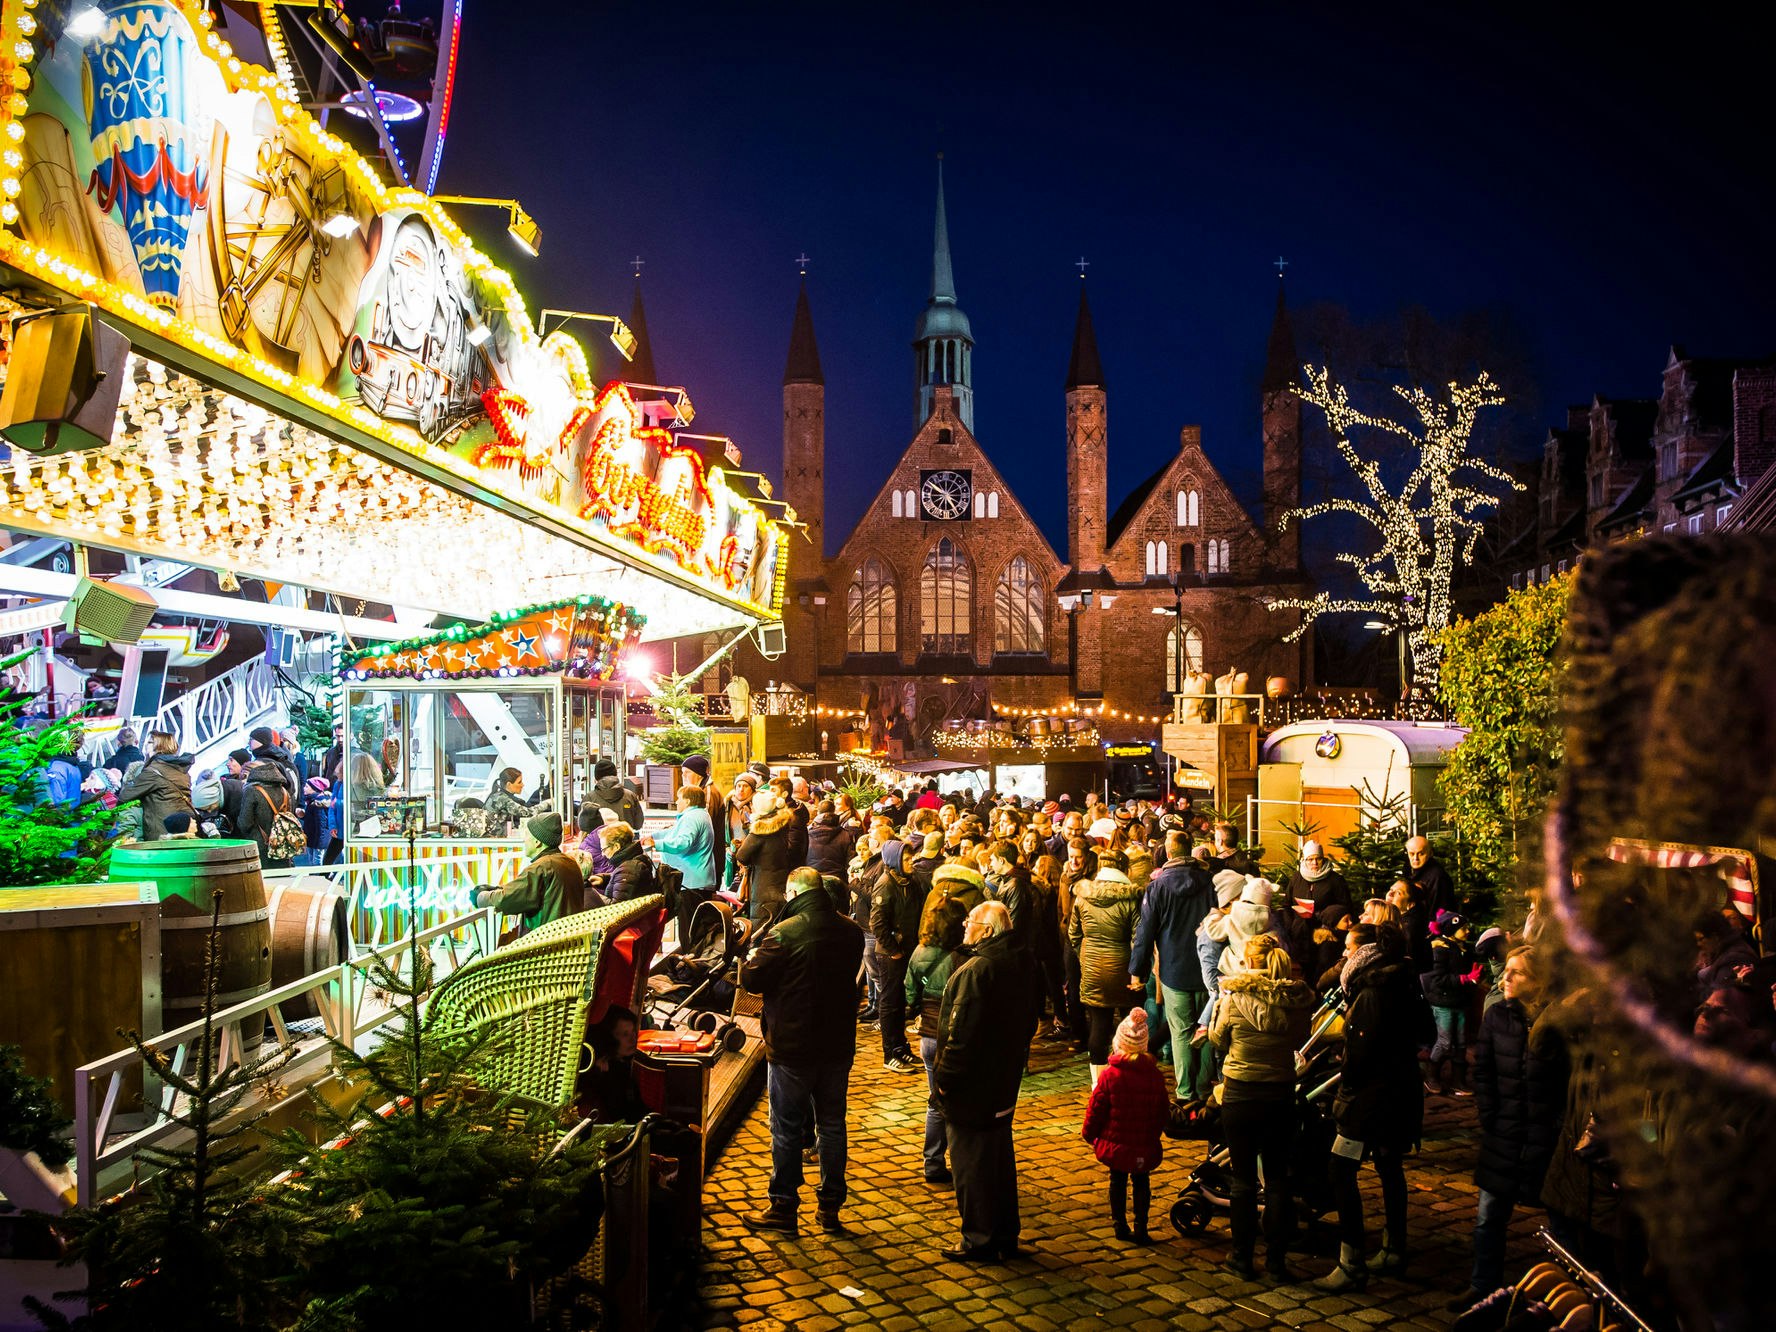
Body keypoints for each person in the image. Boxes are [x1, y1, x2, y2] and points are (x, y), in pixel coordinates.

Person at [738, 866, 865, 1235]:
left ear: (793, 892)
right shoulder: (851, 930)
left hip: (793, 1044)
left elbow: (752, 980)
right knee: (832, 1125)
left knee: (787, 1128)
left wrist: (749, 959)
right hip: (837, 1042)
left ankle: (783, 1206)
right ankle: (830, 1206)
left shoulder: (785, 933)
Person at [1449, 946, 1568, 1312]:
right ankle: (1482, 1284)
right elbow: (1483, 1069)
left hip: (1546, 1135)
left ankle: (1568, 1296)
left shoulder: (1560, 1021)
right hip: (1504, 1132)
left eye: (1517, 973)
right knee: (1488, 1218)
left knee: (1562, 1222)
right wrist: (1490, 1115)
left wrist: (1558, 1125)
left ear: (1540, 980)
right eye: (1508, 971)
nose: (1506, 978)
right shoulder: (1498, 1015)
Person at [1316, 922, 1432, 1291]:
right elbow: (1427, 1032)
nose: (1344, 955)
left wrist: (1346, 1076)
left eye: (1349, 949)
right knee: (1388, 1164)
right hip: (1402, 1091)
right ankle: (1394, 1247)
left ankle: (1351, 1262)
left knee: (1340, 1168)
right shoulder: (1405, 981)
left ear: (1366, 953)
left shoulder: (1370, 994)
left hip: (1369, 1099)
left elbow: (1360, 1057)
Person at [934, 901, 1039, 1261]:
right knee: (998, 1159)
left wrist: (944, 1081)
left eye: (971, 922)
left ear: (988, 930)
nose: (965, 926)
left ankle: (978, 1238)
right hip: (1004, 1079)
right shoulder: (1022, 959)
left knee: (971, 1165)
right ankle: (1005, 1233)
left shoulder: (979, 970)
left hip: (974, 1086)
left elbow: (959, 1034)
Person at [1211, 934, 1313, 1281]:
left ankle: (1241, 1256)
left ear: (1250, 962)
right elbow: (1301, 1040)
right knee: (1277, 1179)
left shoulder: (1235, 998)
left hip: (1240, 1091)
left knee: (1242, 1180)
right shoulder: (1297, 1000)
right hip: (1279, 1093)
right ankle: (1276, 1259)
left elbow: (1218, 1038)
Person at [1131, 830, 1216, 1099]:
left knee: (1180, 1031)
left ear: (1168, 853)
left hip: (1173, 969)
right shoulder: (1210, 883)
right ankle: (1203, 1090)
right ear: (1190, 851)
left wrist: (1137, 972)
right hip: (1206, 970)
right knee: (1205, 1030)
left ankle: (1185, 1092)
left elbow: (1145, 932)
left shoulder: (1158, 887)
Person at [1081, 1008, 1168, 1245]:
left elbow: (1096, 1108)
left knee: (1117, 1182)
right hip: (1143, 1142)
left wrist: (1089, 1133)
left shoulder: (1110, 1076)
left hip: (1117, 1143)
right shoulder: (1154, 1075)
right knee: (1142, 1182)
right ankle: (1141, 1226)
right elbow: (1163, 1109)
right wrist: (1155, 1131)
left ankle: (1119, 1224)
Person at [906, 884, 968, 1183]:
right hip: (953, 1035)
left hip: (928, 1037)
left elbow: (909, 994)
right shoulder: (964, 958)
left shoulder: (920, 952)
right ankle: (954, 1162)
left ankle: (933, 1162)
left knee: (936, 1101)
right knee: (953, 1102)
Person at [1068, 859, 1143, 1088]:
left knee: (1099, 1025)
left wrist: (1085, 957)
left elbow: (1073, 934)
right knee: (1131, 1024)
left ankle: (1098, 1082)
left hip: (1092, 967)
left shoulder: (1083, 896)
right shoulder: (1131, 899)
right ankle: (1128, 1077)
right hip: (1122, 967)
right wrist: (1136, 971)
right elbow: (1136, 939)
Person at [870, 840, 927, 1075]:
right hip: (891, 955)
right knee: (890, 1002)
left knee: (900, 1002)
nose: (910, 862)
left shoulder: (910, 882)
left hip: (907, 951)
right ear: (894, 861)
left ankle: (901, 1046)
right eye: (905, 859)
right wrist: (894, 949)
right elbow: (878, 923)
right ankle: (890, 1052)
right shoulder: (886, 885)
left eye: (910, 857)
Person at [472, 812, 585, 929]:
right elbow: (521, 889)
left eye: (526, 835)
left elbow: (506, 899)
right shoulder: (569, 862)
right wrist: (496, 889)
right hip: (567, 938)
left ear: (537, 842)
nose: (523, 840)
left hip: (546, 942)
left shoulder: (542, 867)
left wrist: (480, 897)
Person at [1423, 911, 1479, 1095]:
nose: (1467, 931)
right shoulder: (1440, 950)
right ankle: (1431, 1076)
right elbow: (1438, 979)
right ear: (1451, 929)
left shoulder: (1465, 949)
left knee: (1462, 1043)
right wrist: (1464, 979)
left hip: (1460, 1002)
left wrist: (1476, 977)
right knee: (1445, 1041)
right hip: (1444, 1002)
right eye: (1463, 928)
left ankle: (1458, 1080)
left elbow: (1472, 972)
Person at [648, 785, 717, 923]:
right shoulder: (700, 814)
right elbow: (676, 833)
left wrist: (657, 844)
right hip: (699, 880)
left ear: (688, 801)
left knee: (689, 930)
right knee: (697, 927)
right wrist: (654, 836)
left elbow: (683, 843)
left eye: (679, 798)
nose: (676, 801)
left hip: (692, 882)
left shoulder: (691, 818)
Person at [117, 730, 196, 841]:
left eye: (150, 742)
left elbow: (124, 796)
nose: (145, 745)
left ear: (159, 746)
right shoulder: (181, 769)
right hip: (184, 827)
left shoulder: (154, 771)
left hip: (161, 831)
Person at [733, 788, 794, 923]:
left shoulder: (760, 830)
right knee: (777, 920)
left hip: (763, 885)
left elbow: (741, 856)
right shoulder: (783, 824)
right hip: (781, 880)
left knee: (762, 921)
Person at [1027, 853, 1069, 1038]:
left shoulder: (1043, 892)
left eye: (1037, 867)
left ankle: (1059, 1020)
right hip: (1054, 944)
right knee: (1054, 985)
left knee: (1051, 985)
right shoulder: (1057, 891)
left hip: (1045, 946)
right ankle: (1059, 1019)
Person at [237, 755, 300, 867]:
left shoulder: (251, 791)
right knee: (281, 882)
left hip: (259, 848)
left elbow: (244, 823)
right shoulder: (284, 791)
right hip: (282, 847)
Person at [1285, 840, 1352, 927]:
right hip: (1298, 930)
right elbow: (1287, 904)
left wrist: (1324, 914)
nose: (1314, 863)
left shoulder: (1336, 880)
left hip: (1325, 930)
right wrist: (1289, 926)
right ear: (1304, 860)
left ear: (1323, 859)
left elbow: (1345, 907)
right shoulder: (1296, 878)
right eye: (1310, 859)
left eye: (1318, 859)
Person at [1695, 908, 1758, 999]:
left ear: (1715, 937)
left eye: (1701, 939)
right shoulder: (1724, 954)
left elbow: (1719, 1000)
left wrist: (1703, 975)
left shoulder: (1735, 957)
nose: (1699, 944)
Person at [597, 822, 656, 903]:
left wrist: (594, 896)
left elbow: (617, 908)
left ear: (616, 846)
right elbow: (626, 881)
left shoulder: (629, 867)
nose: (603, 854)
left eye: (604, 849)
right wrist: (604, 879)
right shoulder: (634, 859)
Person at [581, 757, 645, 831]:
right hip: (626, 840)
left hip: (598, 841)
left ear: (596, 778)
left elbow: (583, 826)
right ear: (615, 775)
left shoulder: (589, 798)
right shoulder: (630, 796)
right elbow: (638, 823)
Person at [1404, 835, 1456, 917]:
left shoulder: (1437, 876)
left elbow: (1440, 911)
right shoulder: (1408, 871)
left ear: (1430, 853)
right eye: (1411, 854)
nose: (1415, 858)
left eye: (1421, 854)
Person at [805, 798, 855, 879]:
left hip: (812, 879)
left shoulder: (806, 833)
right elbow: (850, 860)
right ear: (834, 811)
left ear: (818, 812)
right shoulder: (845, 834)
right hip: (838, 880)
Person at [483, 766, 534, 830]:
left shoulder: (500, 796)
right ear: (509, 784)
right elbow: (529, 813)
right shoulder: (501, 798)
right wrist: (547, 803)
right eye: (519, 782)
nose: (522, 785)